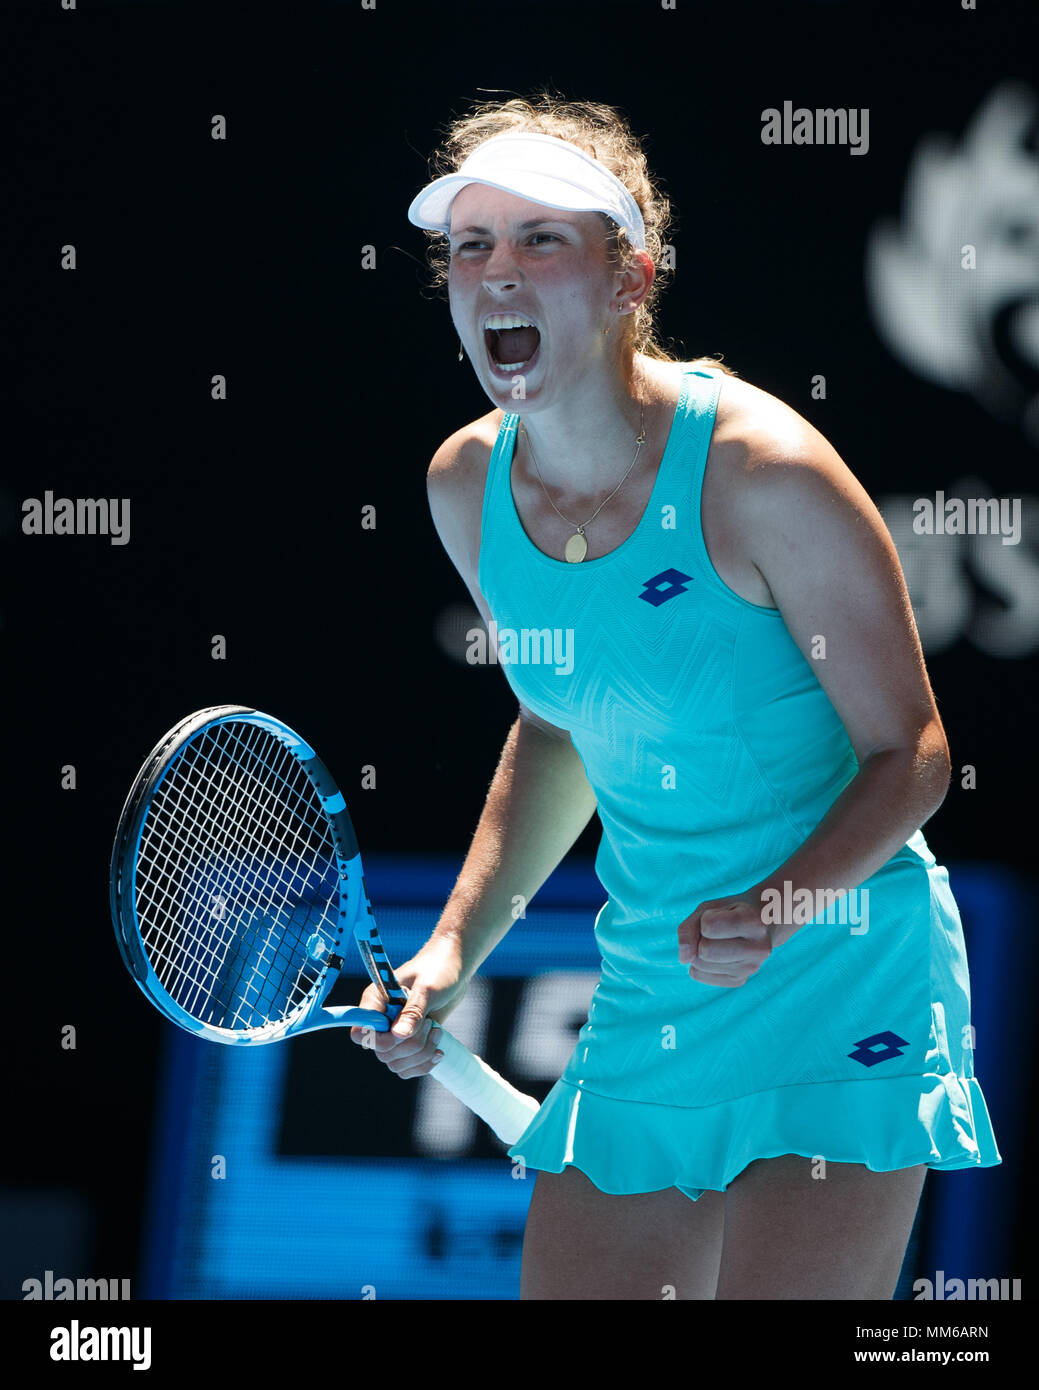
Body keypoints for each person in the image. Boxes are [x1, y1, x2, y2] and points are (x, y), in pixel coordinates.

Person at [351, 93, 1001, 1300]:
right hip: (652, 979)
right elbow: (559, 722)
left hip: (839, 966)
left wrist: (779, 902)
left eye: (544, 240)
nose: (499, 273)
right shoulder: (465, 487)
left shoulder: (765, 473)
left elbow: (910, 752)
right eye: (472, 247)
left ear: (626, 280)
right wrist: (451, 951)